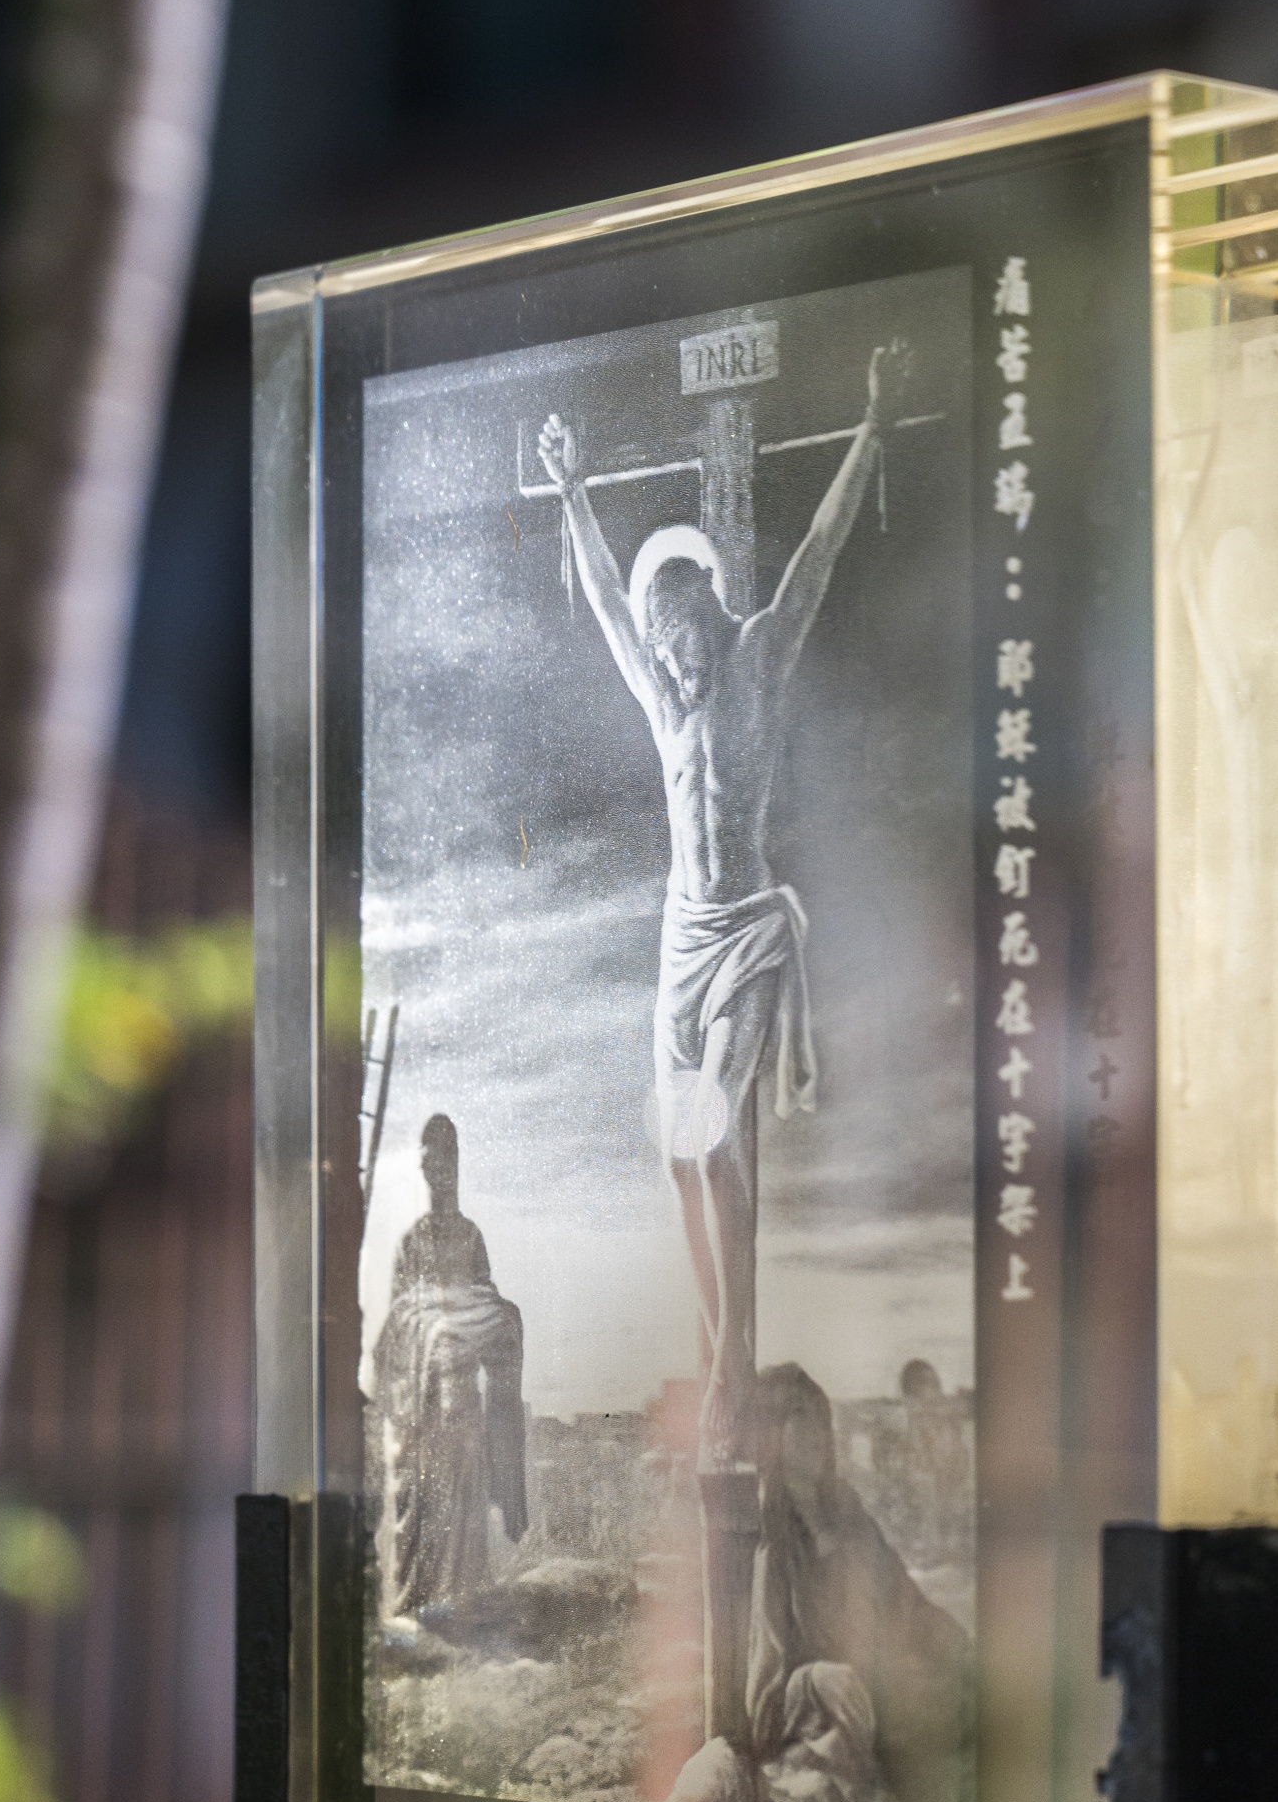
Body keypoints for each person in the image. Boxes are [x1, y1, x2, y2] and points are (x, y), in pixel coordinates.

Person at [537, 337, 910, 1470]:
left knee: (714, 1134)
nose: (670, 658)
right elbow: (607, 603)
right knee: (677, 1155)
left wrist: (873, 427)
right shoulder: (662, 696)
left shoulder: (756, 660)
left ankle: (732, 1360)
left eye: (680, 638)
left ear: (705, 613)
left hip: (748, 928)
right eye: (661, 646)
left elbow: (819, 554)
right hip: (681, 936)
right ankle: (721, 1354)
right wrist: (571, 490)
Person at [371, 1115, 526, 1616]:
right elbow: (399, 1322)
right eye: (432, 1160)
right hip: (422, 1410)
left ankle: (464, 1598)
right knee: (423, 1513)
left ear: (455, 1165)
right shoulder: (412, 1241)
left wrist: (466, 1316)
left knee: (464, 1513)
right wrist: (437, 1324)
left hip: (462, 1408)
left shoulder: (470, 1235)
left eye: (447, 1159)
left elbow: (486, 1300)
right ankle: (422, 1602)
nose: (440, 1171)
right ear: (424, 1169)